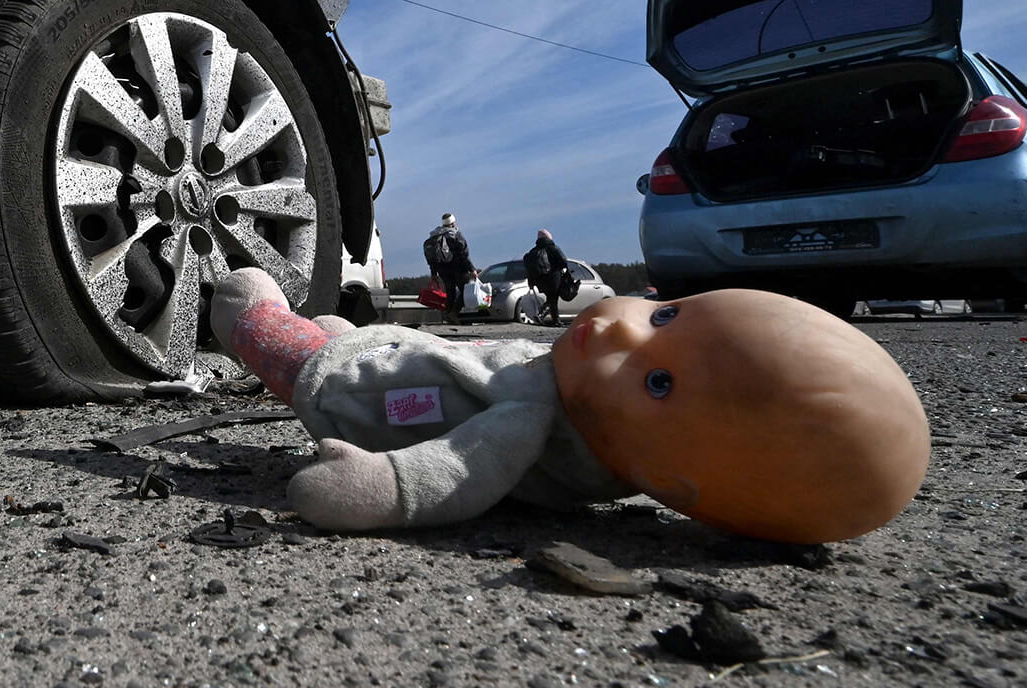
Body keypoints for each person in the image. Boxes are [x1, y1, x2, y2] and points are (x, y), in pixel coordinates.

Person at [207, 268, 930, 543]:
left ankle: (246, 321)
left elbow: (459, 469)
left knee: (265, 320)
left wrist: (380, 487)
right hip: (396, 355)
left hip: (354, 394)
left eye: (657, 382)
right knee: (351, 336)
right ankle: (339, 334)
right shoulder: (583, 401)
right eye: (666, 315)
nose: (623, 328)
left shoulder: (533, 421)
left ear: (673, 483)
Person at [421, 213, 476, 324]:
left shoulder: (435, 235)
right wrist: (472, 269)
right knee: (465, 291)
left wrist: (433, 273)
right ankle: (453, 314)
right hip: (458, 268)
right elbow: (464, 254)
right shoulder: (455, 235)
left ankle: (448, 314)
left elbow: (433, 258)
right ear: (453, 223)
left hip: (443, 270)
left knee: (450, 292)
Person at [523, 229, 570, 325]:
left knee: (551, 298)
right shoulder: (553, 248)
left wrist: (531, 282)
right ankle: (541, 315)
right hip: (553, 276)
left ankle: (555, 320)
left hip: (539, 279)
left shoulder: (533, 251)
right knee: (553, 298)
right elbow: (563, 261)